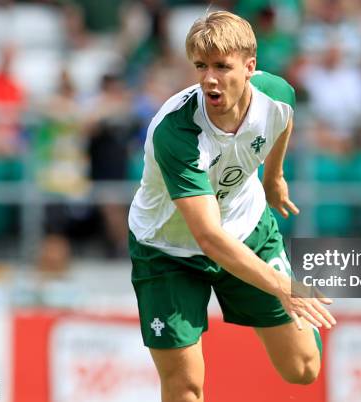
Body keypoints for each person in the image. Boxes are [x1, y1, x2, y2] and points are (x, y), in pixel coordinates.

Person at [127, 11, 336, 402]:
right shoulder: (177, 132)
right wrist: (284, 286)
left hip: (248, 228)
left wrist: (274, 178)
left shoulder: (277, 94)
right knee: (185, 386)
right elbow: (208, 237)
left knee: (303, 368)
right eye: (201, 66)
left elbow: (283, 122)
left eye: (222, 66)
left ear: (250, 68)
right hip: (168, 251)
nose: (209, 78)